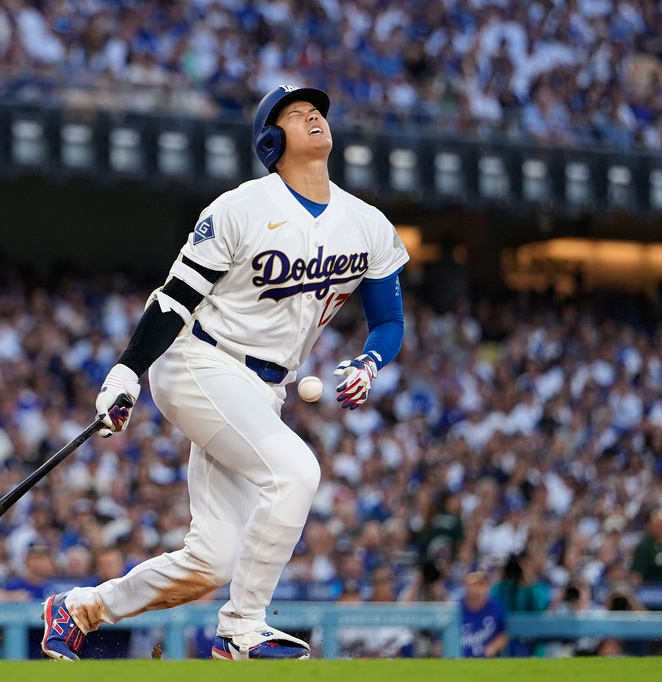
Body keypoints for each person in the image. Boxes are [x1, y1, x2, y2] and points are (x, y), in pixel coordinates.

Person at [41, 84, 409, 661]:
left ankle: (83, 608)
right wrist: (126, 370)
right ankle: (242, 626)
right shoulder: (240, 208)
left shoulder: (367, 224)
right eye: (294, 114)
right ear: (271, 139)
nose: (312, 116)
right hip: (200, 361)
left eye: (316, 111)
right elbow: (174, 299)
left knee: (212, 560)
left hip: (265, 390)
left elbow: (389, 320)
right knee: (294, 472)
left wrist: (370, 360)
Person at [459, 571, 507, 658]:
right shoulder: (456, 608)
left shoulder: (495, 606)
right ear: (466, 586)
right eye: (473, 585)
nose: (477, 589)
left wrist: (493, 648)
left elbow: (503, 634)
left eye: (481, 585)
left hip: (487, 661)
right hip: (459, 661)